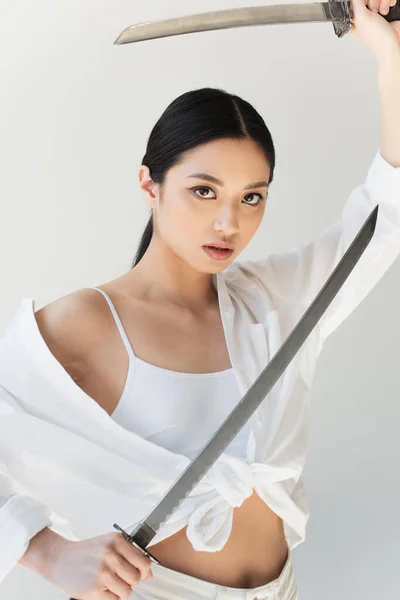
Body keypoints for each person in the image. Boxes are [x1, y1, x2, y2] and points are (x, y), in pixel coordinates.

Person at [0, 0, 399, 599]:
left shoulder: (274, 304)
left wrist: (389, 56)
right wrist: (47, 552)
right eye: (204, 191)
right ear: (149, 185)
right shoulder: (87, 323)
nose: (228, 223)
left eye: (252, 197)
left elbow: (385, 213)